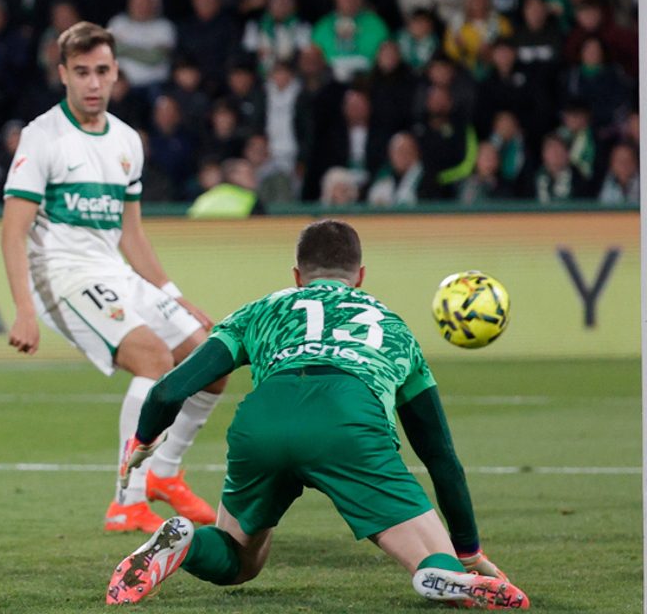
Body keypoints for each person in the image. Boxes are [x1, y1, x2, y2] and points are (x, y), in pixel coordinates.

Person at [107, 220, 529, 609]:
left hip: (264, 418)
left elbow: (169, 390)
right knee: (431, 556)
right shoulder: (394, 329)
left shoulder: (261, 311)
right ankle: (442, 574)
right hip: (348, 419)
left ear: (296, 275)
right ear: (361, 276)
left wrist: (142, 443)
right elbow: (440, 457)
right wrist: (469, 551)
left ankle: (185, 544)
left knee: (239, 558)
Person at [1, 22, 223, 533]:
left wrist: (174, 296)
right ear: (63, 75)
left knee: (211, 358)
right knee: (153, 357)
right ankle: (127, 500)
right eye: (81, 72)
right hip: (59, 275)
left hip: (113, 272)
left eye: (101, 71)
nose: (93, 83)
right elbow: (13, 233)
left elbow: (132, 234)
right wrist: (25, 310)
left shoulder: (126, 140)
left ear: (117, 72)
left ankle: (165, 474)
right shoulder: (43, 137)